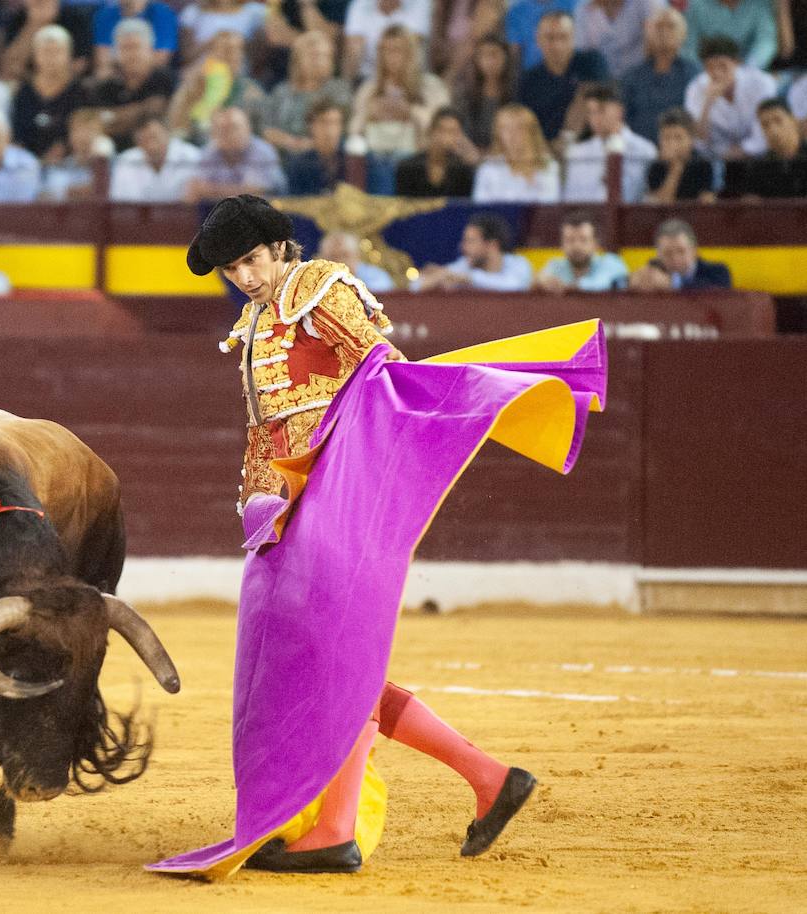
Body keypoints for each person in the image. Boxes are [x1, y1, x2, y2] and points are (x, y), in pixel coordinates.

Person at [152, 194, 578, 878]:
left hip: (335, 500)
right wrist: (265, 509)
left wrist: (348, 480)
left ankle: (336, 831)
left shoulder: (320, 287)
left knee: (327, 660)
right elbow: (268, 431)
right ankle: (490, 779)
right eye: (232, 269)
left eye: (253, 259)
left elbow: (385, 371)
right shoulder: (258, 317)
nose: (246, 276)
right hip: (290, 510)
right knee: (329, 663)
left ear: (279, 247)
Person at [348, 25, 450, 160]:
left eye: (397, 50)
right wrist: (371, 113)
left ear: (410, 53)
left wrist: (409, 112)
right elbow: (353, 130)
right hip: (375, 155)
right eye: (386, 51)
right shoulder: (369, 89)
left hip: (418, 156)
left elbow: (444, 127)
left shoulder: (431, 86)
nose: (391, 57)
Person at [515, 10, 608, 143]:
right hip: (545, 151)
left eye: (563, 37)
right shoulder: (528, 80)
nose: (557, 45)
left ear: (574, 38)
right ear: (538, 39)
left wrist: (565, 141)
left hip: (592, 147)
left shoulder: (591, 62)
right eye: (550, 37)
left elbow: (587, 101)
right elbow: (526, 124)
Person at [258, 31, 352, 158]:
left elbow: (343, 131)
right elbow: (266, 129)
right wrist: (291, 142)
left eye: (324, 56)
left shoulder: (338, 90)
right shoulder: (281, 91)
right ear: (298, 59)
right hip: (282, 155)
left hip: (323, 157)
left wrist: (311, 146)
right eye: (313, 55)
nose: (319, 61)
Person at [88, 18, 176, 152]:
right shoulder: (108, 85)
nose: (131, 54)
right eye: (125, 48)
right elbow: (100, 123)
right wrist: (144, 109)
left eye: (136, 47)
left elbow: (171, 120)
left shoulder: (165, 79)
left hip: (160, 151)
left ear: (150, 49)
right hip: (116, 152)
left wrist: (117, 117)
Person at [684, 35, 775, 159]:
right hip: (717, 158)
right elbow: (699, 140)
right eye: (710, 67)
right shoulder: (695, 88)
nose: (717, 73)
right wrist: (708, 103)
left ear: (737, 63)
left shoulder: (761, 83)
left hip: (761, 155)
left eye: (723, 66)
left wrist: (743, 150)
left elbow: (765, 131)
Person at [562, 82, 657, 202]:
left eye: (601, 111)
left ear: (619, 110)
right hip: (585, 218)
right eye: (590, 112)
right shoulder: (577, 153)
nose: (595, 118)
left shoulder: (646, 151)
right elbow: (571, 199)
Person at [167, 30, 265, 144]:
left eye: (234, 51)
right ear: (211, 55)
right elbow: (176, 126)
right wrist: (193, 96)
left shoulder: (251, 90)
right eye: (224, 51)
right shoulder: (195, 84)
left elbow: (260, 131)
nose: (229, 57)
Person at [9, 24, 86, 164]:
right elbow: (17, 135)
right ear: (35, 55)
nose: (51, 58)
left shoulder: (81, 92)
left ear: (69, 54)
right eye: (46, 51)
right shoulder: (23, 93)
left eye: (57, 51)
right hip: (27, 164)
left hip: (69, 164)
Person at [621, 8, 699, 144]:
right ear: (648, 33)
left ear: (683, 34)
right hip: (639, 151)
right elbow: (623, 117)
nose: (664, 32)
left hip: (681, 150)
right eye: (658, 27)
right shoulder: (632, 76)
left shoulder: (693, 73)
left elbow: (695, 118)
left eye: (671, 26)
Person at [413, 211, 533, 291]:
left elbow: (515, 286)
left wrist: (469, 278)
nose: (463, 248)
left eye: (470, 241)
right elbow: (415, 286)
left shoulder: (519, 264)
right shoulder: (465, 265)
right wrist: (437, 278)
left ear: (492, 245)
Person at [186, 105, 286, 201]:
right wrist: (237, 190)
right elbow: (193, 191)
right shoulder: (210, 152)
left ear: (247, 129)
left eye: (233, 128)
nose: (227, 134)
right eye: (221, 130)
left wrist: (210, 191)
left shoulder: (263, 151)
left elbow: (255, 195)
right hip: (218, 214)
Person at [720, 98, 807, 199]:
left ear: (793, 121)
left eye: (778, 120)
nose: (773, 130)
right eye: (765, 125)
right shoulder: (759, 168)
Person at [472, 103, 560, 202]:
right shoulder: (489, 168)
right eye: (504, 128)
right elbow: (480, 208)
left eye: (519, 128)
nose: (512, 135)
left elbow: (552, 205)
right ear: (497, 133)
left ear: (531, 132)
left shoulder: (548, 164)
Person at [109, 112, 201, 201]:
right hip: (140, 216)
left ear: (167, 133)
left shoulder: (192, 157)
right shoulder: (125, 162)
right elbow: (121, 204)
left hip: (185, 215)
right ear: (136, 140)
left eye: (154, 137)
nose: (151, 146)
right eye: (144, 139)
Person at [0, 0, 92, 82]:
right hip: (23, 85)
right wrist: (34, 24)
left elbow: (80, 65)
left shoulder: (75, 19)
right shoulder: (15, 20)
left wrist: (45, 82)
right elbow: (8, 68)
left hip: (66, 86)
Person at [451, 34, 516, 152]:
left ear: (506, 57)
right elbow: (460, 134)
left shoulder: (517, 94)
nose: (489, 61)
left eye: (494, 54)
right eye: (483, 55)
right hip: (471, 158)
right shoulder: (465, 96)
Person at [535, 210, 628, 292]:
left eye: (583, 240)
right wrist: (540, 282)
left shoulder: (612, 262)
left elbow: (602, 284)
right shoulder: (555, 266)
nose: (576, 246)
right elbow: (539, 281)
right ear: (561, 245)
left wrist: (567, 288)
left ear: (596, 244)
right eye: (570, 240)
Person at [628, 218, 731, 290]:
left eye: (681, 251)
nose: (675, 258)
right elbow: (617, 284)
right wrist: (631, 283)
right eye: (667, 253)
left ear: (694, 251)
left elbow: (717, 293)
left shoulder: (718, 271)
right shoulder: (653, 272)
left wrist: (672, 284)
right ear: (658, 254)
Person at [394, 106, 476, 197]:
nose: (446, 137)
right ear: (431, 131)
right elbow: (402, 204)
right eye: (442, 130)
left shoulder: (463, 170)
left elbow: (464, 205)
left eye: (453, 132)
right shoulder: (408, 167)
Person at [342, 0, 432, 81]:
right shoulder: (361, 4)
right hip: (368, 77)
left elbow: (412, 45)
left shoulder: (420, 3)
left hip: (409, 78)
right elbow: (354, 46)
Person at [573, 0, 664, 79]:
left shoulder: (648, 2)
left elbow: (658, 42)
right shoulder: (584, 8)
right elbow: (584, 55)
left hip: (641, 79)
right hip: (601, 83)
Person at [92, 0, 178, 80]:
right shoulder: (105, 15)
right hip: (117, 75)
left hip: (150, 76)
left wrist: (133, 72)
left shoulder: (162, 14)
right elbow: (102, 60)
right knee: (102, 74)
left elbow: (160, 60)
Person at [682, 0, 779, 71]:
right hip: (706, 72)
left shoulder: (760, 3)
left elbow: (766, 42)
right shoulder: (696, 4)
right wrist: (708, 72)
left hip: (750, 71)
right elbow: (689, 47)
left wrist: (746, 69)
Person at [40, 108, 114, 200]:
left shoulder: (113, 166)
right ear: (69, 135)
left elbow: (101, 192)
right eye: (77, 130)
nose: (83, 136)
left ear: (102, 135)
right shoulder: (59, 166)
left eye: (90, 130)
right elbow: (44, 196)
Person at [644, 107, 714, 201]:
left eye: (678, 137)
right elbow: (660, 204)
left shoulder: (702, 164)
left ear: (691, 139)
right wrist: (675, 168)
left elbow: (707, 203)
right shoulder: (656, 165)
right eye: (666, 138)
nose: (672, 144)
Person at [284, 97, 347, 195]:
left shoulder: (356, 161)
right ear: (311, 126)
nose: (330, 131)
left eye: (335, 123)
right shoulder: (299, 165)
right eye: (323, 123)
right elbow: (294, 203)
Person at [178, 0, 266, 64]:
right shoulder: (193, 12)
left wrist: (235, 44)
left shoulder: (255, 13)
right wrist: (212, 42)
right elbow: (185, 57)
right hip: (199, 76)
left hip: (239, 77)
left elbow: (260, 56)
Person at [505, 0, 576, 70]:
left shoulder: (572, 3)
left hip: (571, 71)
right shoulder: (517, 11)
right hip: (531, 73)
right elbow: (514, 52)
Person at [317, 229, 395, 292]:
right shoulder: (316, 281)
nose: (339, 262)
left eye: (344, 255)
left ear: (357, 256)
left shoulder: (376, 277)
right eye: (332, 257)